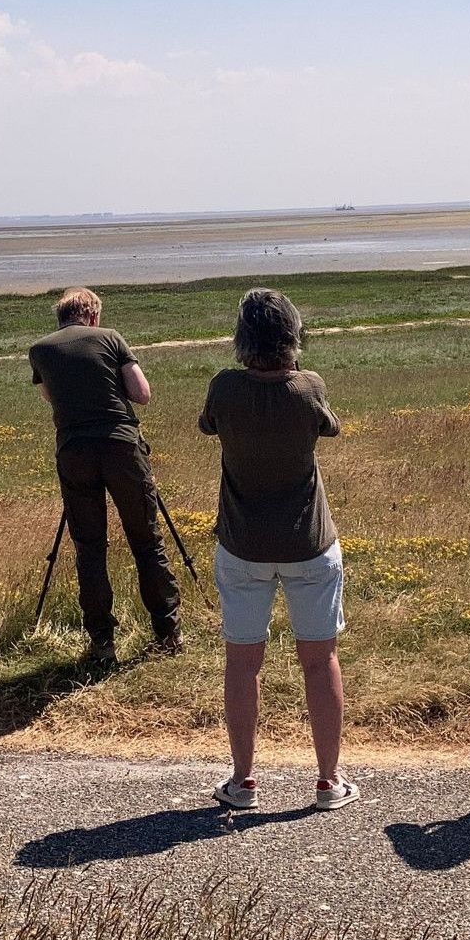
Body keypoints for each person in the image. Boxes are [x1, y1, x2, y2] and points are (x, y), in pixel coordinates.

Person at [199, 289, 358, 812]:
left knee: (243, 664)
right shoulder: (308, 387)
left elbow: (209, 425)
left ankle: (243, 782)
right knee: (320, 659)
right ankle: (328, 781)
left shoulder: (224, 387)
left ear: (242, 339)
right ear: (293, 335)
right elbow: (329, 427)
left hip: (243, 544)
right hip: (309, 543)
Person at [28, 287, 181, 666]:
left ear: (61, 316)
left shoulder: (40, 350)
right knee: (146, 541)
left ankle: (101, 642)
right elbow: (142, 393)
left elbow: (49, 396)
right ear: (92, 315)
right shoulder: (110, 338)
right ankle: (167, 631)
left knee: (90, 548)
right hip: (120, 447)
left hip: (73, 451)